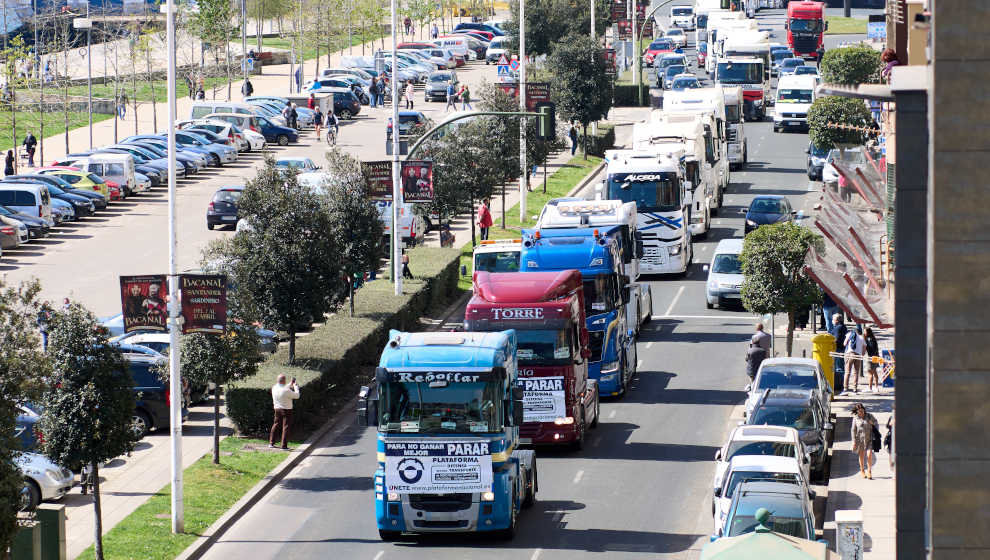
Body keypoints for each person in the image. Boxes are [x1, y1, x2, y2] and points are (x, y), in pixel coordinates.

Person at [269, 374, 300, 449]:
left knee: (275, 425)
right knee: (286, 427)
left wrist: (290, 383)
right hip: (287, 410)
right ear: (284, 381)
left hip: (277, 408)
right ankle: (284, 446)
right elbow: (297, 396)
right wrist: (296, 387)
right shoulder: (286, 390)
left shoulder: (274, 387)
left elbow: (284, 387)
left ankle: (271, 443)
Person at [851, 402, 878, 479]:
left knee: (869, 455)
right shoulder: (855, 418)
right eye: (859, 411)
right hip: (860, 440)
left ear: (864, 409)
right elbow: (853, 430)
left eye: (862, 410)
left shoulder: (869, 416)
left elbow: (876, 423)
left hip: (869, 438)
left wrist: (872, 423)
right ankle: (862, 470)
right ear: (857, 411)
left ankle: (869, 471)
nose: (861, 412)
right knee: (861, 456)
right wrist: (854, 441)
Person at [843, 325, 864, 393]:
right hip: (858, 355)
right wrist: (861, 355)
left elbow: (844, 343)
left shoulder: (849, 334)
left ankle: (845, 388)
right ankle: (855, 388)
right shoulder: (861, 337)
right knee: (856, 372)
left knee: (847, 372)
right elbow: (864, 348)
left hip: (850, 354)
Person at [830, 314, 848, 392]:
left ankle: (840, 385)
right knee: (840, 367)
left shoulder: (838, 328)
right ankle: (841, 383)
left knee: (839, 368)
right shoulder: (843, 327)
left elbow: (836, 339)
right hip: (841, 349)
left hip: (838, 350)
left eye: (833, 319)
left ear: (836, 320)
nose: (832, 321)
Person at [864, 327, 880, 392]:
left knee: (870, 373)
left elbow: (870, 349)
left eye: (865, 331)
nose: (864, 333)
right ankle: (876, 387)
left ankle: (870, 388)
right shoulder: (873, 338)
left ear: (867, 332)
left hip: (871, 357)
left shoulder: (869, 339)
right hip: (875, 357)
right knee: (874, 372)